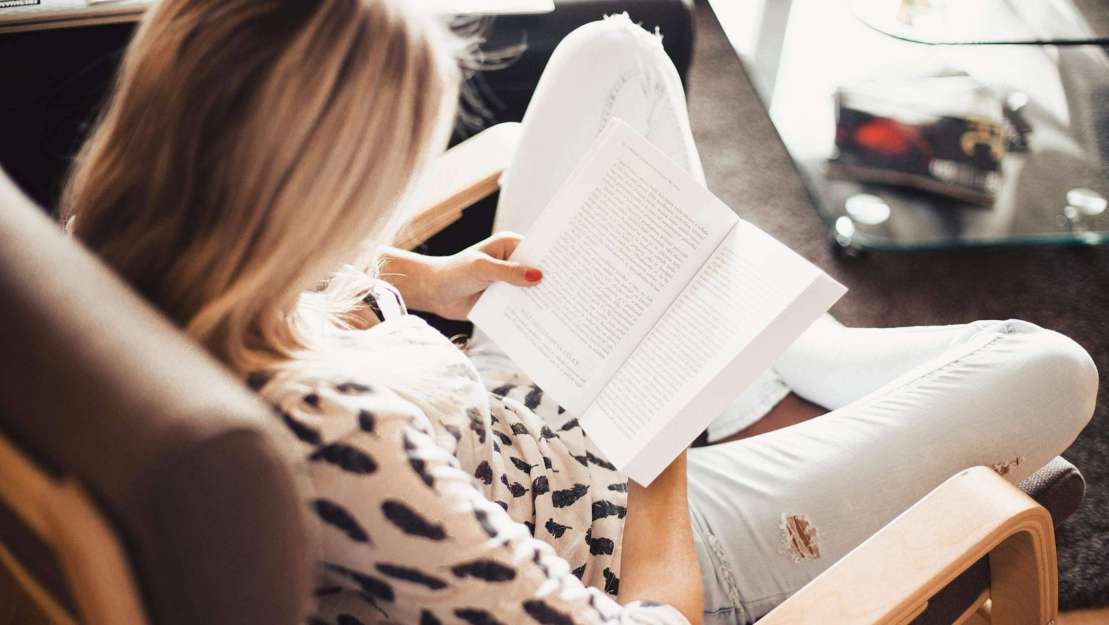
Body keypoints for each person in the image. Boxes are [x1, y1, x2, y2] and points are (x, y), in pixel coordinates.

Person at [61, 2, 1098, 625]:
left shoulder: (111, 248)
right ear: (314, 188)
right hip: (634, 525)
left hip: (509, 396)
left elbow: (299, 279)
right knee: (1046, 366)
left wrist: (421, 279)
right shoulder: (345, 447)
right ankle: (753, 359)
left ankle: (769, 351)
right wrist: (662, 432)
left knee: (619, 51)